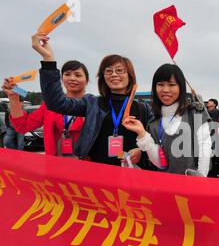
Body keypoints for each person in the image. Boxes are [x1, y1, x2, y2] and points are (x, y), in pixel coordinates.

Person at [32, 32, 152, 169]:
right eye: (108, 71)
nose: (114, 74)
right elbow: (56, 103)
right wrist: (48, 60)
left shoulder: (144, 109)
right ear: (103, 77)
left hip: (132, 174)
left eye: (120, 70)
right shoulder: (92, 103)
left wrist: (141, 151)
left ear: (130, 76)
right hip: (96, 173)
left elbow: (155, 143)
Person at [122, 64, 212, 176]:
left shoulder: (195, 112)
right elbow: (160, 163)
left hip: (193, 184)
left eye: (172, 85)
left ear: (181, 87)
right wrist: (142, 133)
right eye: (160, 84)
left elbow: (205, 146)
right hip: (165, 185)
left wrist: (201, 178)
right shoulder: (154, 121)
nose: (165, 90)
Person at [2, 60, 89, 156]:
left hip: (88, 164)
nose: (72, 78)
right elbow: (23, 125)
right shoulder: (49, 106)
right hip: (55, 164)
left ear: (86, 80)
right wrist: (13, 98)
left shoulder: (94, 105)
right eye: (67, 74)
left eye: (78, 75)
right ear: (62, 78)